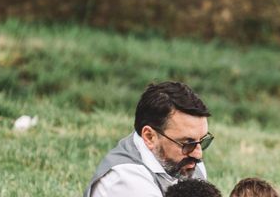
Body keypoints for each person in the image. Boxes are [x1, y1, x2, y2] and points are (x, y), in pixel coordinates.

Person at [84, 81, 214, 197]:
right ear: (149, 136)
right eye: (188, 143)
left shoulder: (187, 161)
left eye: (202, 141)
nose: (198, 154)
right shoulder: (127, 179)